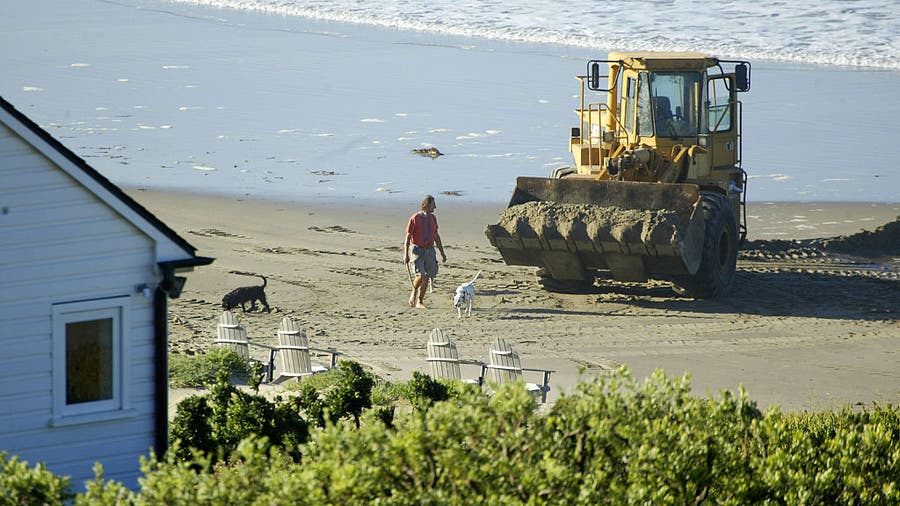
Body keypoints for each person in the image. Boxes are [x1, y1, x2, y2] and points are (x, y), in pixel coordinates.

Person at [403, 195, 446, 308]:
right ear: (427, 205)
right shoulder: (415, 217)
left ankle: (420, 301)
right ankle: (414, 290)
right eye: (433, 204)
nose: (435, 207)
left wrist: (442, 253)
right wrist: (406, 254)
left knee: (427, 276)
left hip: (429, 250)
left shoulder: (433, 218)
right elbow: (408, 236)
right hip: (417, 250)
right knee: (420, 275)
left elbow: (436, 236)